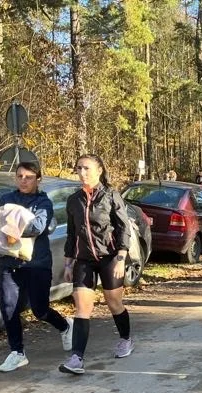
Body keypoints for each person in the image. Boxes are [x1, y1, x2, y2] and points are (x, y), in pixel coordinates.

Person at [0, 162, 73, 372]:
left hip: (37, 263)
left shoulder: (43, 202)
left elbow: (38, 226)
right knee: (8, 307)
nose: (23, 180)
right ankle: (17, 352)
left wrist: (11, 224)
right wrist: (13, 222)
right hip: (10, 261)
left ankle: (65, 326)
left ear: (38, 179)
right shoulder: (6, 199)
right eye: (20, 176)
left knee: (40, 310)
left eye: (29, 177)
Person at [59, 154, 134, 375]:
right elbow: (72, 234)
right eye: (78, 168)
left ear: (99, 170)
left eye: (86, 168)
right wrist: (68, 264)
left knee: (113, 302)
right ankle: (76, 358)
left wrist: (121, 257)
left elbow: (123, 228)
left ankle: (126, 339)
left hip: (110, 258)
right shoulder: (74, 200)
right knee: (82, 308)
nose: (82, 173)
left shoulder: (111, 196)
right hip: (84, 259)